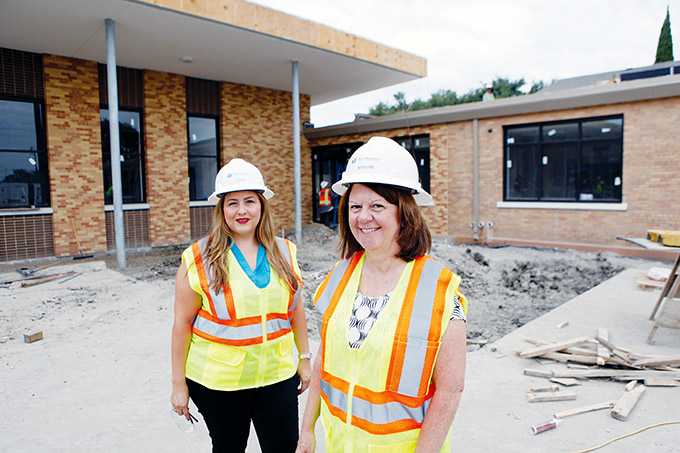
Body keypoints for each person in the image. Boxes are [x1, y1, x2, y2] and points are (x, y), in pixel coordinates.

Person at [297, 137, 468, 453]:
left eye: (377, 206)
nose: (363, 217)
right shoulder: (340, 276)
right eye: (355, 206)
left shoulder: (438, 291)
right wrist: (307, 429)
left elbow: (449, 391)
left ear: (403, 212)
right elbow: (325, 358)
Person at [171, 158, 312, 453]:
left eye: (250, 201)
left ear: (262, 205)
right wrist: (178, 385)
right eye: (232, 202)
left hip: (277, 376)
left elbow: (294, 309)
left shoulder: (285, 251)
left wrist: (305, 357)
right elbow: (182, 324)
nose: (242, 210)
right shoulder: (199, 258)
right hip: (219, 384)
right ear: (221, 209)